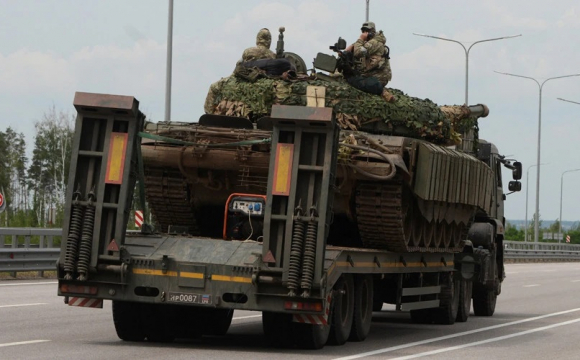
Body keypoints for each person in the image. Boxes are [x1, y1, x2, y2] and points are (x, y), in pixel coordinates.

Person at [345, 21, 394, 101]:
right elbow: (349, 51)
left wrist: (360, 39)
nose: (364, 33)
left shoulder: (375, 43)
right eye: (363, 31)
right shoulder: (368, 43)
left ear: (372, 32)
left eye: (367, 31)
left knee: (353, 80)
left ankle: (382, 91)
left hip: (378, 77)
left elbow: (358, 52)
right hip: (371, 75)